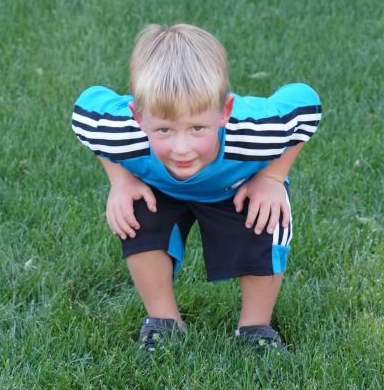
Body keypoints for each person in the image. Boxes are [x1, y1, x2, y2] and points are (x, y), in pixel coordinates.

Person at [71, 24, 322, 354]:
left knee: (267, 217)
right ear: (138, 117)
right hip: (160, 189)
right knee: (134, 214)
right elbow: (85, 113)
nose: (181, 148)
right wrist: (120, 180)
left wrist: (272, 178)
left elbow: (306, 105)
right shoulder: (121, 130)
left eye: (197, 128)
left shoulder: (257, 130)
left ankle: (255, 327)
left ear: (225, 112)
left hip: (238, 187)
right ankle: (164, 322)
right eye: (163, 129)